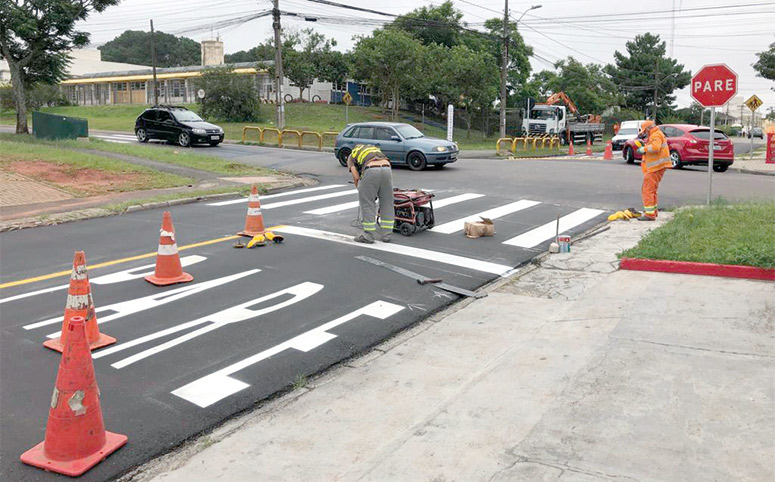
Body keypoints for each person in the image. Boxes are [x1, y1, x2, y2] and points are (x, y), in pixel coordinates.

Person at [347, 144, 395, 243]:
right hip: (387, 168)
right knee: (387, 202)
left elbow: (356, 176)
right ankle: (387, 235)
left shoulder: (351, 156)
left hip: (371, 169)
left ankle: (368, 236)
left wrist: (361, 190)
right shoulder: (372, 149)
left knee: (367, 203)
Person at [635, 120, 672, 221]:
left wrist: (644, 149)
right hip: (658, 167)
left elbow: (656, 147)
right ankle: (653, 212)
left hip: (655, 167)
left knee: (647, 190)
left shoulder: (655, 135)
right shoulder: (656, 134)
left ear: (648, 129)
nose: (644, 133)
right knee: (652, 190)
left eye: (644, 131)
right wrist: (646, 146)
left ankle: (649, 214)